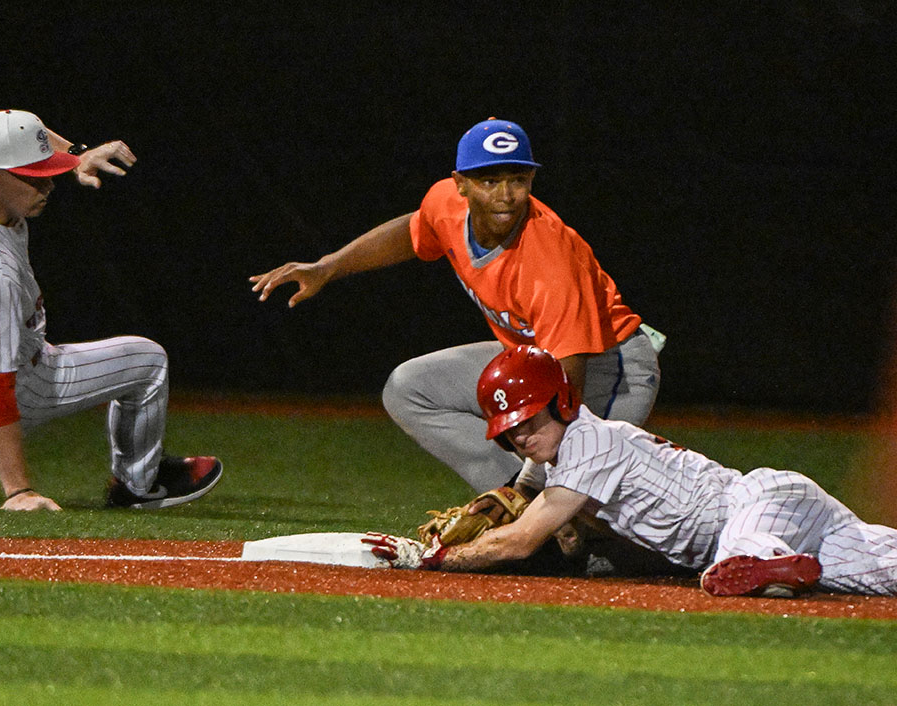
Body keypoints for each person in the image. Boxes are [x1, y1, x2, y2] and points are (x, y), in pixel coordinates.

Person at [251, 118, 663, 494]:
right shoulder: (445, 203)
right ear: (460, 184)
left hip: (609, 365)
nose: (505, 195)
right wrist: (329, 266)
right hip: (532, 358)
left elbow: (566, 388)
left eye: (517, 179)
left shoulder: (549, 258)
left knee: (582, 502)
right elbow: (414, 230)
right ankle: (505, 496)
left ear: (532, 180)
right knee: (410, 388)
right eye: (489, 180)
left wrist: (536, 488)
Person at [0, 109, 222, 512]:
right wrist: (18, 491)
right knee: (148, 361)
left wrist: (78, 154)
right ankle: (139, 485)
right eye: (32, 177)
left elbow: (22, 129)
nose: (46, 186)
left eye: (49, 171)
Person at [364, 345, 897, 597]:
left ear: (563, 401)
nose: (519, 435)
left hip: (760, 501)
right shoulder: (553, 457)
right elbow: (523, 496)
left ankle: (762, 566)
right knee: (882, 570)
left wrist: (430, 558)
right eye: (507, 429)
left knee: (731, 564)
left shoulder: (589, 441)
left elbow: (520, 541)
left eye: (529, 419)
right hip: (788, 524)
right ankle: (773, 565)